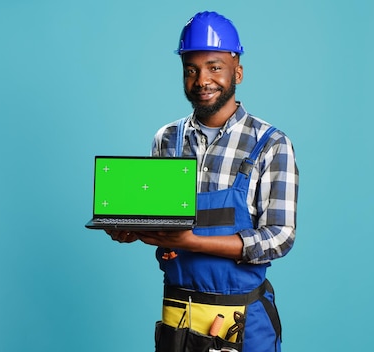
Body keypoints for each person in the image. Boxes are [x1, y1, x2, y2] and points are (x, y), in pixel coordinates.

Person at [105, 11, 298, 352]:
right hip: (179, 315)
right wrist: (133, 229)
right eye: (191, 70)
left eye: (214, 67)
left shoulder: (271, 143)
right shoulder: (167, 139)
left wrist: (191, 241)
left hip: (242, 320)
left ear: (237, 70)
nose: (202, 80)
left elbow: (279, 237)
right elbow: (161, 220)